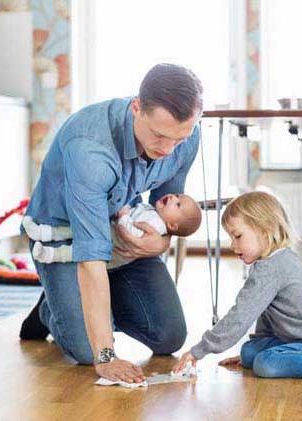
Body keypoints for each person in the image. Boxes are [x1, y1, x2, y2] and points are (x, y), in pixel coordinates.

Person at [19, 63, 203, 384]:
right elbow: (91, 259)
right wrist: (106, 356)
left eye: (179, 139)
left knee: (169, 336)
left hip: (122, 231)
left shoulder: (186, 134)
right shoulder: (90, 150)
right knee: (88, 352)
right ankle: (54, 308)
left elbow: (167, 209)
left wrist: (160, 243)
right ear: (136, 108)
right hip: (66, 241)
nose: (167, 149)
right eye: (159, 136)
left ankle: (76, 301)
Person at [173, 191, 302, 381]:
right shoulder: (276, 259)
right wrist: (256, 348)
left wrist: (198, 351)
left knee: (266, 363)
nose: (232, 245)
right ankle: (288, 356)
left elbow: (239, 318)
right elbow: (265, 311)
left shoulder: (270, 268)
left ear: (265, 230)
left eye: (238, 236)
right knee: (249, 353)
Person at [26, 193, 202, 269]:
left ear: (172, 226)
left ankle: (49, 254)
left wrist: (124, 215)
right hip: (108, 233)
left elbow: (131, 233)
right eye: (178, 195)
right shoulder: (153, 213)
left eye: (178, 204)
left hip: (111, 246)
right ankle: (42, 232)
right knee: (74, 230)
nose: (173, 197)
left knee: (78, 251)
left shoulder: (155, 225)